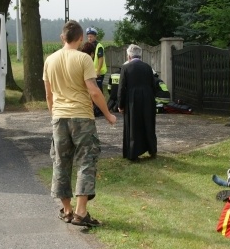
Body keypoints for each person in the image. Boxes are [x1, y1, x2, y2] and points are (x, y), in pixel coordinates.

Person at [43, 20, 117, 227]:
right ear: (81, 38)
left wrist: (54, 114)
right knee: (86, 161)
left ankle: (66, 210)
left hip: (59, 118)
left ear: (62, 37)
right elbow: (94, 91)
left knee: (60, 162)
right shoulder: (84, 59)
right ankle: (81, 212)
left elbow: (48, 94)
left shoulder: (50, 60)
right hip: (82, 118)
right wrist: (108, 114)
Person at [117, 44, 157, 161]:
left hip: (132, 100)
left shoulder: (126, 68)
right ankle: (152, 150)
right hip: (148, 98)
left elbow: (121, 88)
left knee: (133, 125)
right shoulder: (148, 67)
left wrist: (120, 104)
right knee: (148, 124)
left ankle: (134, 153)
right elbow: (153, 85)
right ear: (140, 55)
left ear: (129, 55)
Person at [86, 27, 107, 93]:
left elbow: (100, 59)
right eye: (88, 37)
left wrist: (98, 71)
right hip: (91, 72)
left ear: (95, 37)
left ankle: (100, 103)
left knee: (98, 90)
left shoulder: (99, 46)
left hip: (99, 72)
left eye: (91, 37)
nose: (89, 38)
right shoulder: (88, 46)